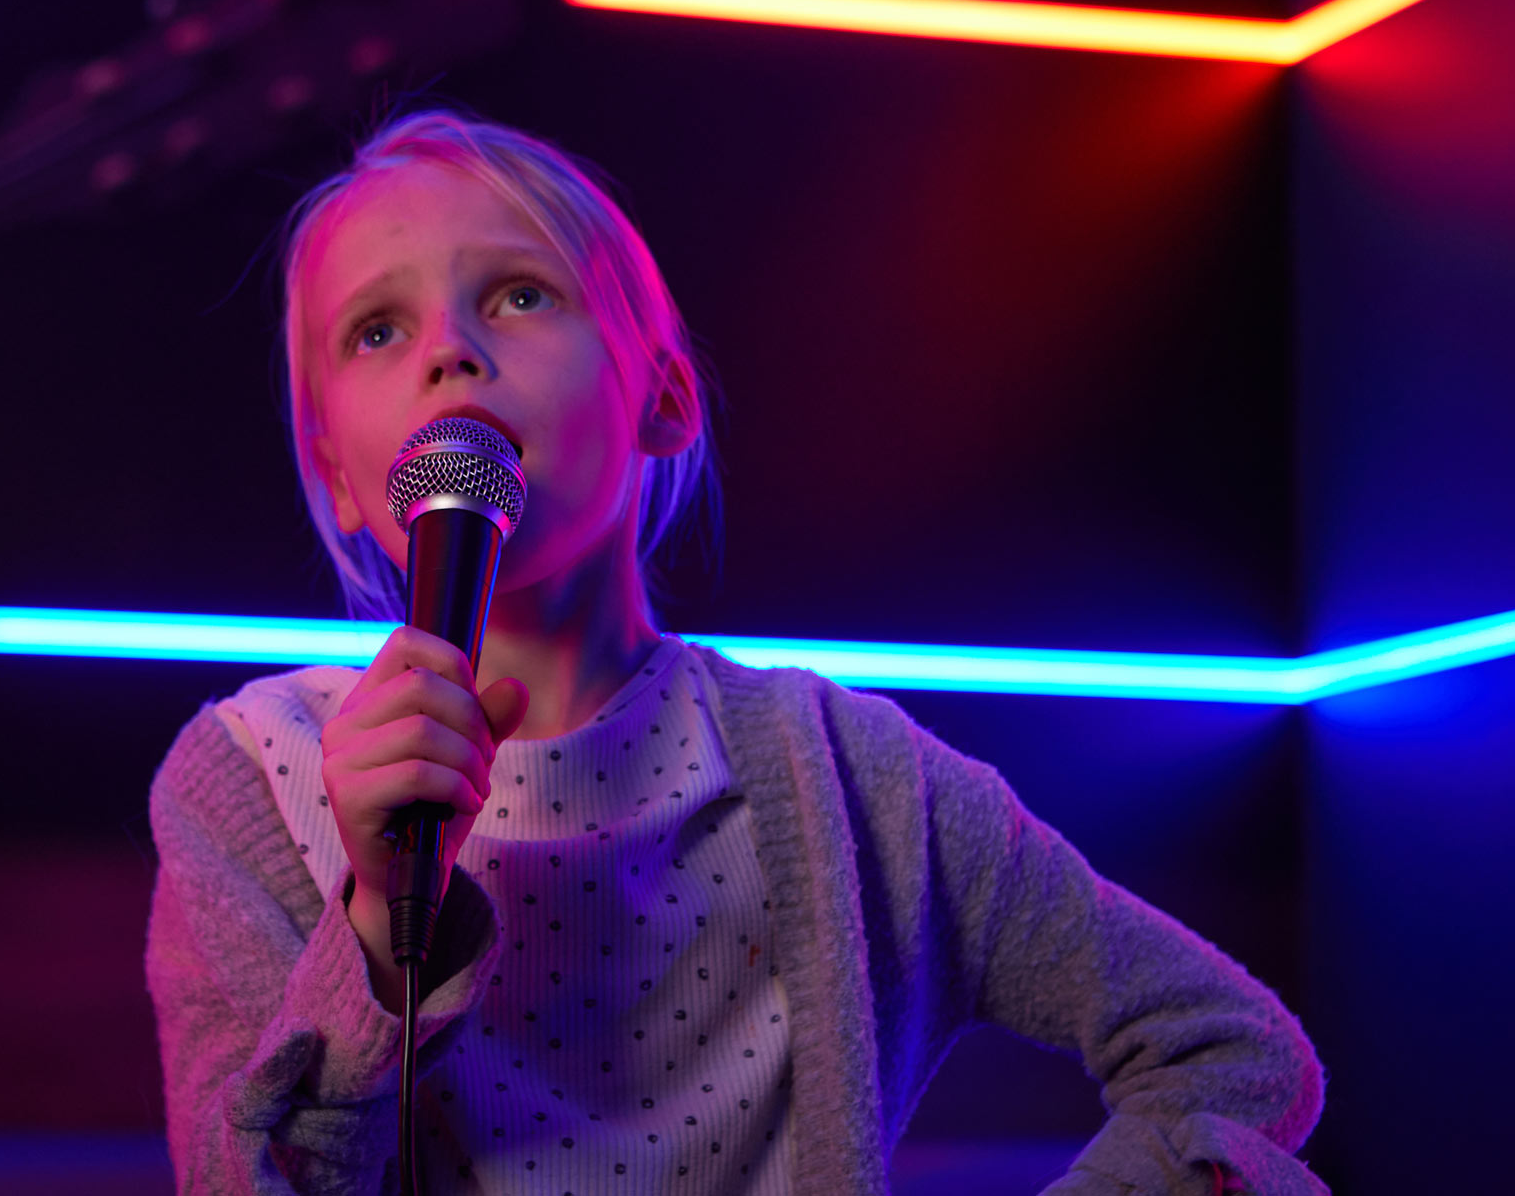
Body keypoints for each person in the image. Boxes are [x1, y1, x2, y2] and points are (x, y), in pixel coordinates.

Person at [144, 108, 1326, 1195]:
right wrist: (373, 919)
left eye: (516, 294)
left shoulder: (845, 773)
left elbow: (1233, 1050)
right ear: (339, 477)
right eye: (376, 329)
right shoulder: (250, 777)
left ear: (660, 396)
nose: (447, 351)